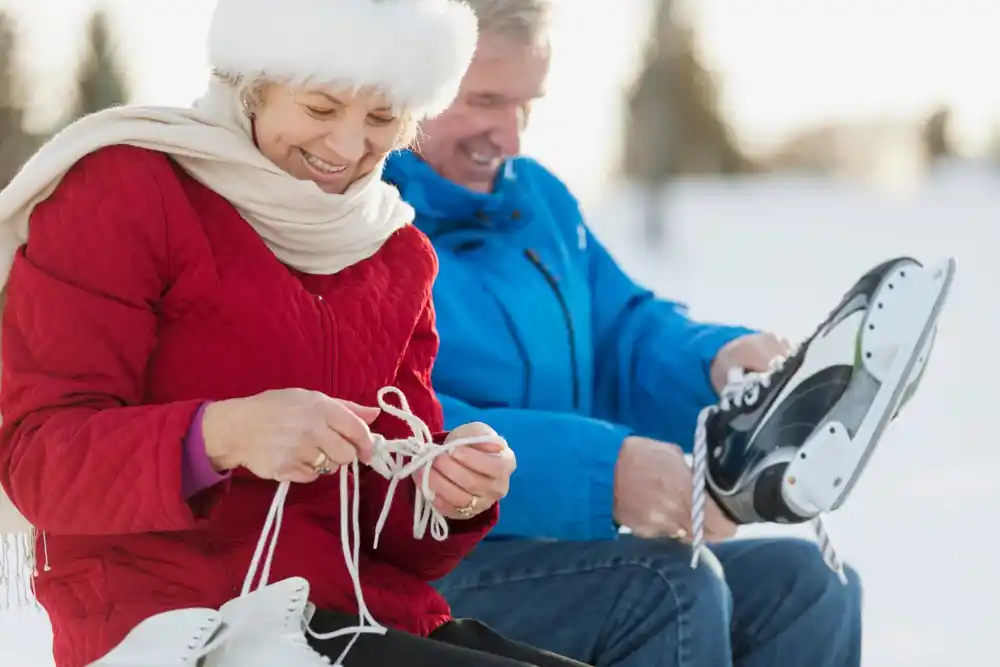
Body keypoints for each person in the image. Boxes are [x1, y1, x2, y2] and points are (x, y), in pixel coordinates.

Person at [0, 2, 590, 667]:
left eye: (380, 118)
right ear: (255, 85)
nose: (345, 146)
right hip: (181, 625)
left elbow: (398, 535)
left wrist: (448, 489)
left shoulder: (394, 252)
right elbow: (36, 459)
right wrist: (221, 434)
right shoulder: (130, 189)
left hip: (359, 616)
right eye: (319, 109)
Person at [382, 1, 864, 666]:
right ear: (408, 79)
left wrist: (718, 362)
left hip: (556, 546)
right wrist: (602, 473)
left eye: (527, 105)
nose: (511, 137)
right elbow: (388, 418)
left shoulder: (538, 201)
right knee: (669, 586)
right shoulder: (359, 218)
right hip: (416, 569)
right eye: (485, 100)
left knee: (808, 587)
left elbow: (622, 332)